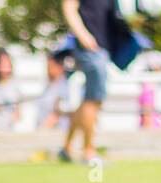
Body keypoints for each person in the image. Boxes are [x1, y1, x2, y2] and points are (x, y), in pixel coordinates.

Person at [60, 0, 124, 163]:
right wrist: (83, 36)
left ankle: (67, 148)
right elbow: (69, 7)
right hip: (90, 48)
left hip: (103, 48)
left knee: (90, 99)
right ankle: (88, 151)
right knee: (94, 99)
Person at [34, 50, 74, 129]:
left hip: (56, 133)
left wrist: (43, 128)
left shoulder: (65, 87)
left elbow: (57, 113)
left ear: (59, 67)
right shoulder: (48, 86)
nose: (47, 69)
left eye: (50, 66)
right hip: (44, 131)